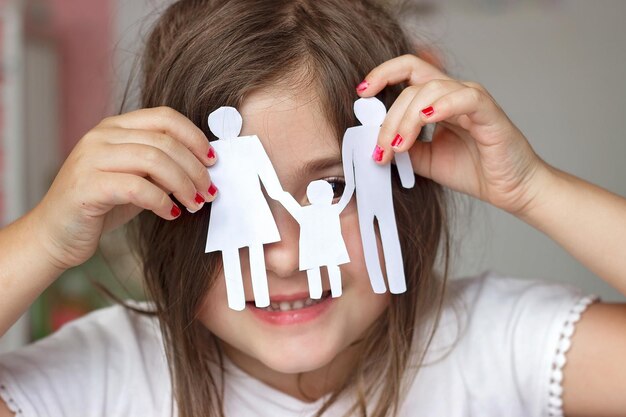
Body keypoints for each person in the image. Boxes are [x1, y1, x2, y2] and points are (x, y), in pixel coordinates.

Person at [0, 1, 625, 417]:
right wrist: (44, 240)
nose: (287, 256)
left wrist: (532, 188)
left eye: (330, 189)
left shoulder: (494, 342)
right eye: (227, 202)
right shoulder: (103, 377)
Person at [280, 180, 351, 299]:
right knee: (330, 268)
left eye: (337, 188)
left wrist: (282, 196)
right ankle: (333, 289)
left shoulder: (306, 212)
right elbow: (347, 197)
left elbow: (292, 207)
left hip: (315, 250)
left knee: (317, 270)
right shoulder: (332, 210)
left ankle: (319, 292)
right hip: (326, 249)